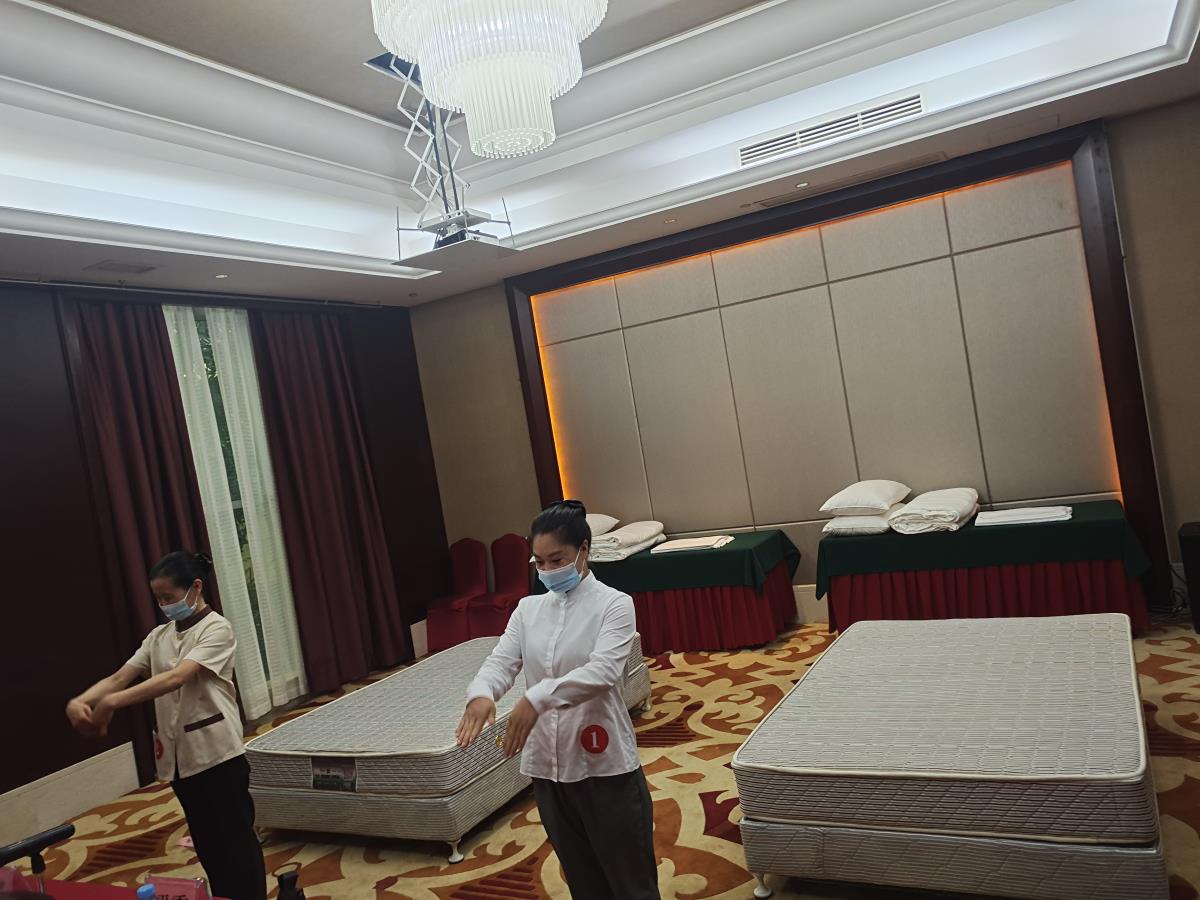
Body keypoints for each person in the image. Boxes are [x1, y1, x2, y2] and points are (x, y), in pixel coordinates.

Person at [456, 501, 660, 900]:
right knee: (583, 880)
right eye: (539, 562)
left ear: (583, 550)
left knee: (630, 883)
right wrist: (481, 694)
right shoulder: (528, 610)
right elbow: (501, 661)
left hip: (605, 768)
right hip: (547, 770)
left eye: (557, 560)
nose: (548, 570)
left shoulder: (614, 604)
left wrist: (538, 696)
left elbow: (603, 672)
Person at [65, 552, 266, 900]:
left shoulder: (216, 628)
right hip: (178, 762)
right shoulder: (158, 637)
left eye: (168, 597)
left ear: (196, 588)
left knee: (237, 846)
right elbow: (119, 677)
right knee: (209, 846)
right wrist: (81, 700)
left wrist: (111, 703)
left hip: (218, 755)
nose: (163, 605)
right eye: (158, 598)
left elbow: (177, 677)